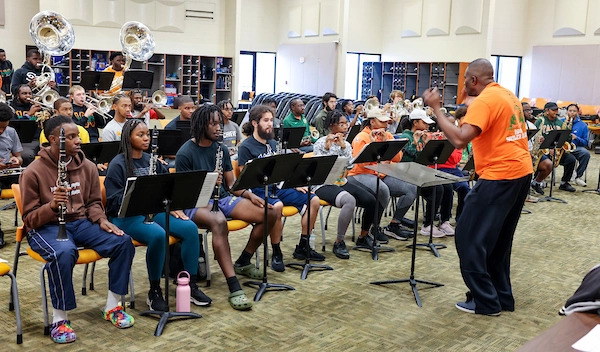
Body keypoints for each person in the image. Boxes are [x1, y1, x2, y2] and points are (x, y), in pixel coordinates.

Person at [423, 58, 533, 316]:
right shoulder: (506, 94)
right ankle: (502, 297)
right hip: (521, 172)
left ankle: (485, 301)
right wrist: (464, 96)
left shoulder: (484, 101)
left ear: (474, 80)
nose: (462, 85)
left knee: (469, 237)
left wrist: (437, 109)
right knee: (498, 240)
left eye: (465, 80)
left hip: (500, 175)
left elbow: (460, 140)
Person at [19, 115, 136, 343]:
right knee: (63, 253)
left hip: (81, 222)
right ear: (54, 140)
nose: (78, 140)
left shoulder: (88, 166)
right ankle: (60, 319)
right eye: (71, 137)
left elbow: (93, 202)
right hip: (46, 227)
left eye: (78, 135)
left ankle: (113, 306)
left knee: (123, 242)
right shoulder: (33, 171)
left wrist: (101, 219)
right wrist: (52, 206)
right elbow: (30, 219)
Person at [177, 105, 287, 309]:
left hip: (223, 198)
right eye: (214, 123)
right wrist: (208, 182)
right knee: (219, 222)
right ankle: (233, 285)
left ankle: (244, 260)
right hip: (196, 203)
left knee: (269, 212)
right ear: (201, 125)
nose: (219, 127)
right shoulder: (185, 153)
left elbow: (231, 185)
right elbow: (184, 194)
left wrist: (249, 195)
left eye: (220, 122)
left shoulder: (220, 150)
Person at [105, 119, 212, 311]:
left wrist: (175, 206)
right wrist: (137, 193)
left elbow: (170, 187)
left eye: (147, 134)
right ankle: (154, 291)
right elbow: (113, 201)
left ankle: (190, 285)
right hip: (127, 216)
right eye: (140, 135)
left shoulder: (151, 160)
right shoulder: (118, 164)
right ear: (128, 138)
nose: (146, 138)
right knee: (158, 235)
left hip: (154, 212)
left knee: (190, 228)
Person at [238, 104, 325, 262]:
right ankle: (276, 252)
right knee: (277, 206)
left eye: (271, 120)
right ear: (255, 123)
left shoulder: (272, 143)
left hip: (277, 187)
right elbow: (246, 177)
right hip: (259, 190)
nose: (271, 124)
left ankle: (303, 246)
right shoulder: (246, 147)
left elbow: (281, 169)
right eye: (266, 120)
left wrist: (293, 183)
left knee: (313, 199)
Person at [347, 109, 417, 246]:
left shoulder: (388, 135)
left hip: (381, 174)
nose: (386, 124)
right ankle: (373, 228)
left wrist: (386, 143)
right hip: (360, 174)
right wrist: (374, 147)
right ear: (372, 122)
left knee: (411, 188)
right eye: (382, 121)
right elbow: (361, 163)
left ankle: (394, 225)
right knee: (383, 190)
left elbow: (397, 159)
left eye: (386, 121)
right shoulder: (362, 137)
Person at [313, 110, 373, 259]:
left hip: (341, 181)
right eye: (342, 124)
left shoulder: (346, 143)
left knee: (372, 200)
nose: (346, 126)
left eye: (346, 123)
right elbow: (319, 168)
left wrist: (343, 147)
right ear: (332, 126)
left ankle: (363, 236)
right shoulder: (320, 142)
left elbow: (350, 167)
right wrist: (327, 149)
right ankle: (339, 241)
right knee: (349, 200)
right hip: (323, 184)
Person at [398, 108, 451, 237]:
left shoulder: (422, 136)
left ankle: (444, 221)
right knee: (437, 189)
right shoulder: (405, 137)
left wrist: (428, 145)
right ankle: (427, 225)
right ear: (415, 123)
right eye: (424, 122)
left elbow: (426, 160)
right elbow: (406, 159)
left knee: (447, 186)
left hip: (420, 173)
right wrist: (415, 144)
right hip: (407, 174)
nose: (427, 125)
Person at [532, 102, 577, 193]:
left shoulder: (560, 122)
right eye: (553, 110)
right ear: (547, 111)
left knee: (571, 160)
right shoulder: (540, 121)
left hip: (556, 150)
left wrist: (568, 129)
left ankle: (564, 182)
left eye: (557, 110)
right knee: (544, 161)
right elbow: (535, 137)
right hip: (543, 150)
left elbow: (565, 139)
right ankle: (537, 181)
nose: (556, 112)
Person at [0, 103, 23, 247]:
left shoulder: (11, 132)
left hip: (8, 172)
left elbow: (19, 157)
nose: (2, 130)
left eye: (4, 127)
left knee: (35, 182)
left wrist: (17, 160)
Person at [9, 84, 42, 165]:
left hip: (37, 139)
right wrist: (28, 115)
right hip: (21, 141)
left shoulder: (37, 106)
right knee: (26, 155)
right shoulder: (12, 107)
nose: (28, 96)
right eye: (24, 93)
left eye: (30, 93)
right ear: (17, 95)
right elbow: (14, 125)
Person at [566, 103, 590, 187]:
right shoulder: (562, 122)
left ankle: (578, 177)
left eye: (574, 111)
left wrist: (576, 138)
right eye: (570, 111)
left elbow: (585, 142)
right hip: (562, 148)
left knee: (585, 153)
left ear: (578, 112)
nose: (572, 113)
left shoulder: (583, 125)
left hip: (575, 147)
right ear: (567, 112)